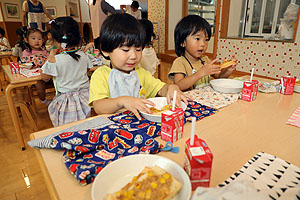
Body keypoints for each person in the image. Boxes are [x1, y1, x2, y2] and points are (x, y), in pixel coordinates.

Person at [89, 13, 187, 120]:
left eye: (138, 49)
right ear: (106, 50)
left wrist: (171, 88)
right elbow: (98, 106)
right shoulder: (101, 75)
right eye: (126, 50)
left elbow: (161, 89)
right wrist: (123, 101)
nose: (134, 56)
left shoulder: (141, 73)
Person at [41, 17, 92, 126]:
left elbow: (44, 77)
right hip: (86, 97)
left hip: (67, 102)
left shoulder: (55, 59)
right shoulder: (84, 56)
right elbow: (86, 70)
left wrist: (51, 54)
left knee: (68, 129)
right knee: (85, 125)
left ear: (55, 41)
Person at [168, 15, 237, 91]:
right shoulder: (180, 62)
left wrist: (228, 70)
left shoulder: (205, 59)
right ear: (182, 42)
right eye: (197, 39)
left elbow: (219, 77)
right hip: (189, 100)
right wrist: (201, 73)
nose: (203, 44)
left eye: (206, 40)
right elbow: (178, 86)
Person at [21, 28, 50, 105]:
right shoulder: (26, 52)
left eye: (39, 38)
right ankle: (42, 99)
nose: (37, 41)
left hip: (46, 74)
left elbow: (49, 60)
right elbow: (25, 63)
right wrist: (35, 56)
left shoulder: (44, 51)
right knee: (39, 84)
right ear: (26, 40)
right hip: (34, 76)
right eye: (33, 38)